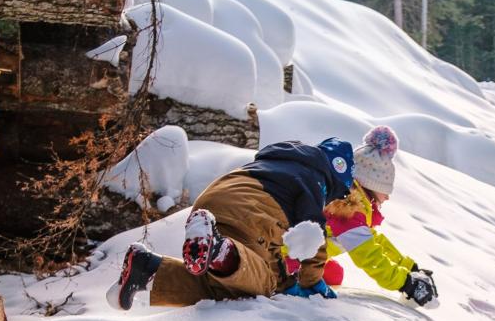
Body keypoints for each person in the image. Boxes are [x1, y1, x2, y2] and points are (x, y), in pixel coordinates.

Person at [106, 132, 358, 310]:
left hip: (215, 199)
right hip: (252, 212)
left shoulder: (283, 162)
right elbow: (312, 236)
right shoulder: (316, 179)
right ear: (336, 177)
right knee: (264, 282)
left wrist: (289, 280)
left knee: (227, 285)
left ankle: (149, 269)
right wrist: (313, 283)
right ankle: (218, 249)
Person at [316, 125, 437, 305]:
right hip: (284, 261)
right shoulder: (348, 209)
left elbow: (373, 240)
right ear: (370, 184)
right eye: (385, 190)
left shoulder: (346, 202)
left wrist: (410, 267)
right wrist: (407, 283)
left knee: (333, 273)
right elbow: (369, 256)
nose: (387, 197)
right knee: (330, 275)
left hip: (295, 255)